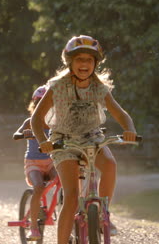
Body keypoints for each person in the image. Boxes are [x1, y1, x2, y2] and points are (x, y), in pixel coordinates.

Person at [31, 35, 137, 244]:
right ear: (70, 62)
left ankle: (103, 213)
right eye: (79, 59)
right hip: (64, 141)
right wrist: (43, 140)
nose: (84, 64)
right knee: (71, 196)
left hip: (92, 138)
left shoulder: (99, 88)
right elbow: (36, 119)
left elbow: (120, 114)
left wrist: (130, 129)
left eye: (89, 60)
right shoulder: (58, 86)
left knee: (110, 165)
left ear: (95, 63)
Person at [13, 85, 57, 241]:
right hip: (34, 163)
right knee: (39, 187)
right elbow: (16, 134)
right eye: (39, 103)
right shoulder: (30, 122)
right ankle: (33, 227)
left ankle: (68, 210)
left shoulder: (55, 124)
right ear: (34, 104)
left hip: (51, 161)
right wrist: (23, 133)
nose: (43, 107)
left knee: (63, 180)